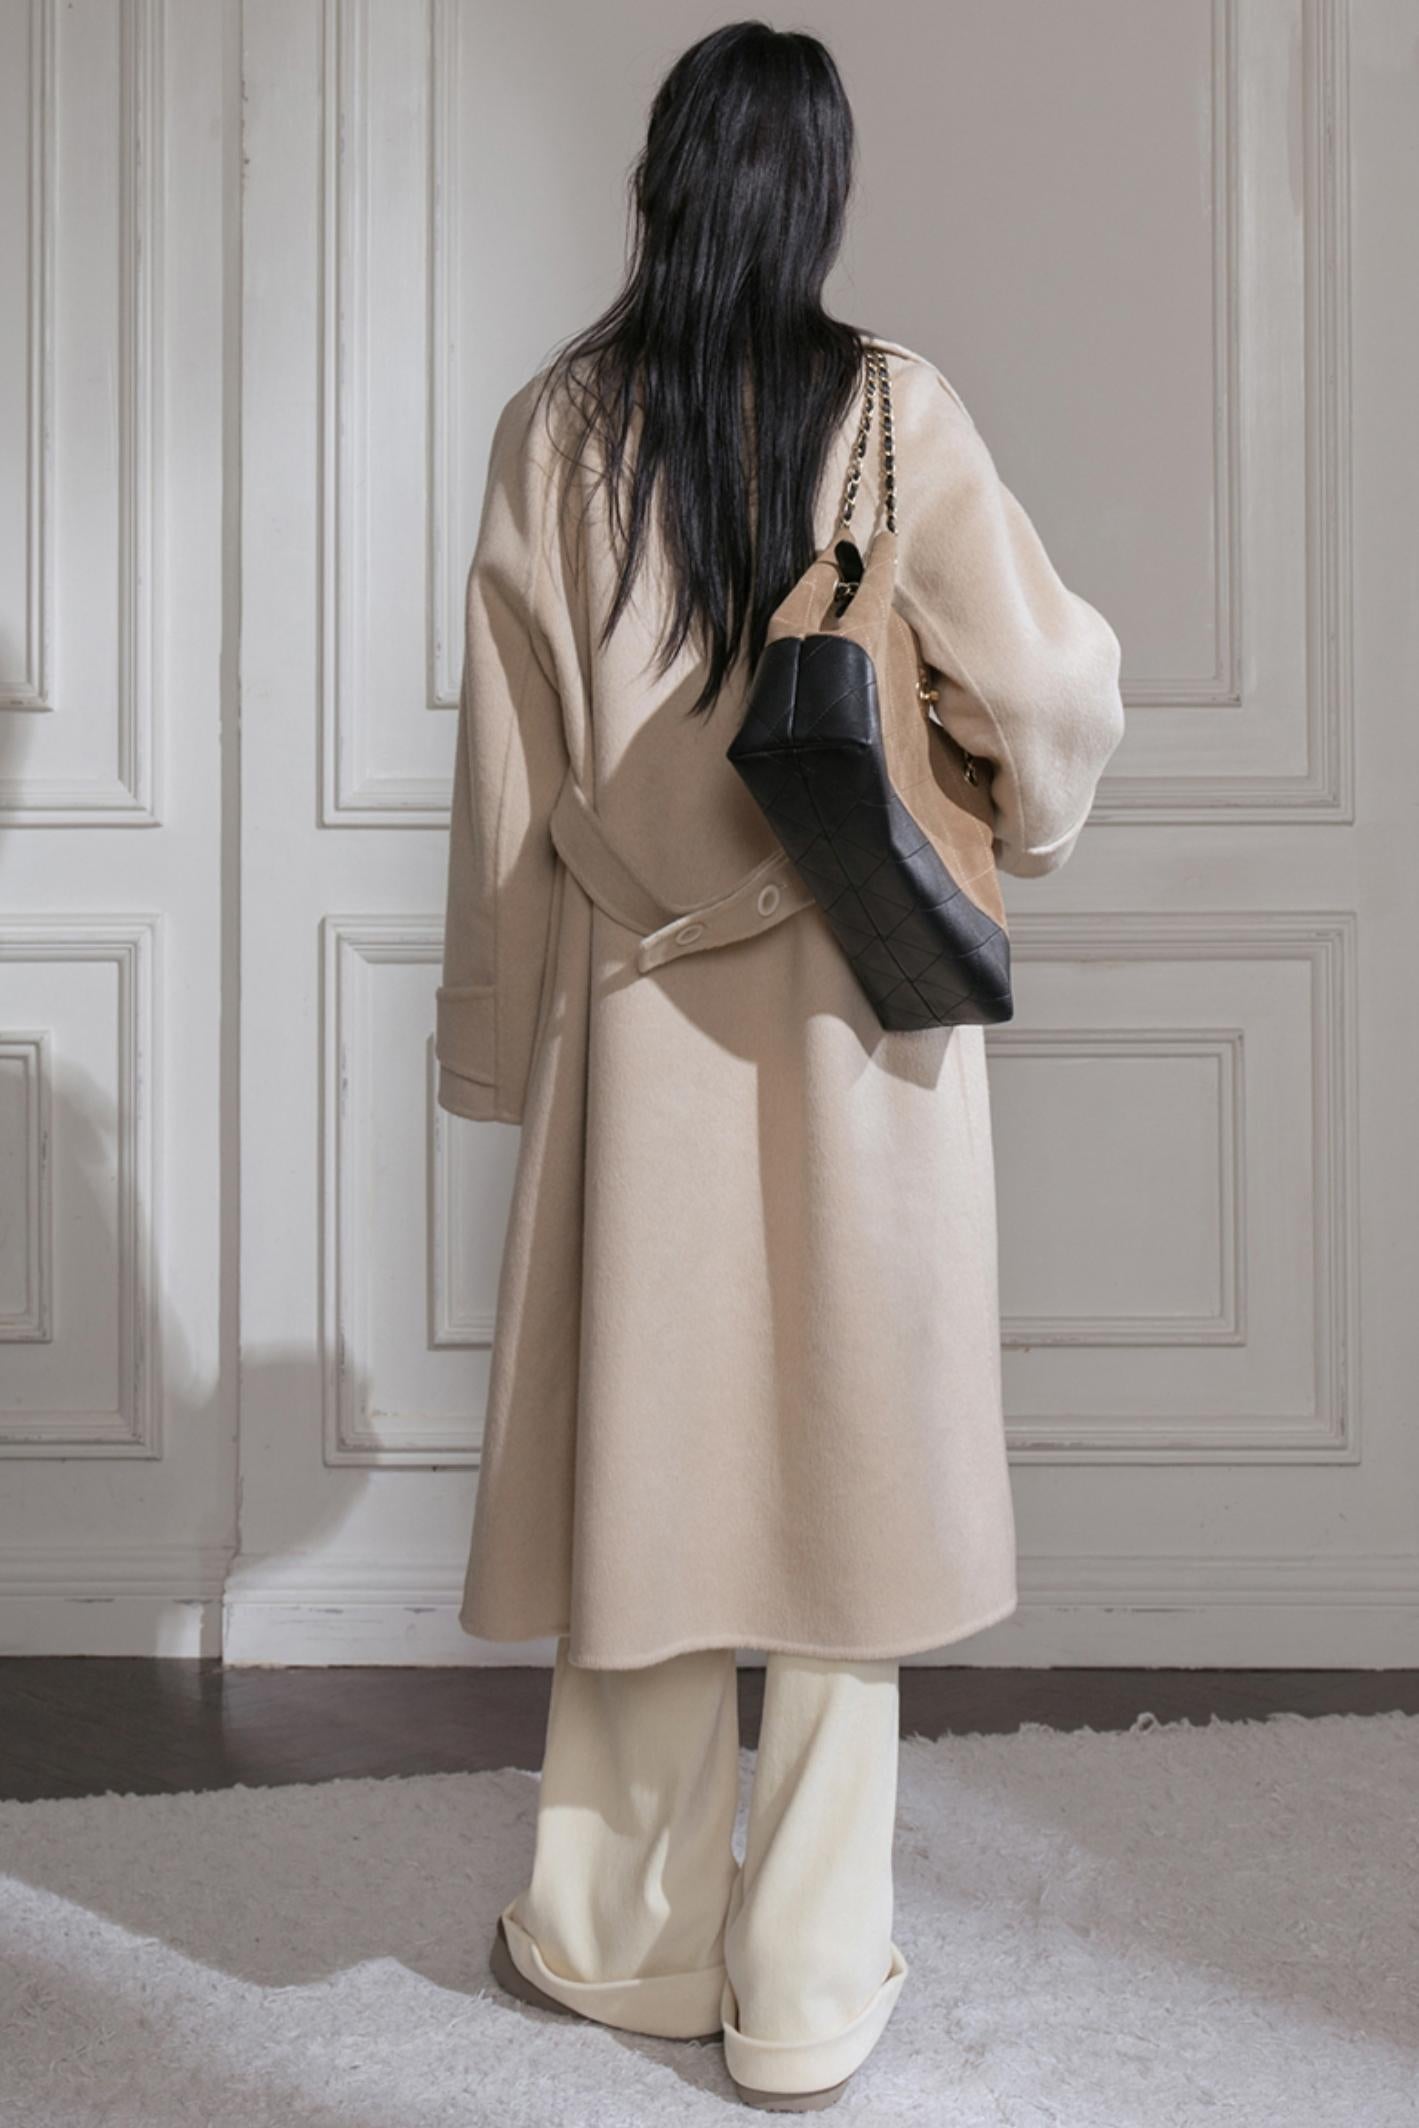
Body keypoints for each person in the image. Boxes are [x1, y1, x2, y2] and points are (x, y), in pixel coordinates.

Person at [435, 20, 1125, 2111]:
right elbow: (1041, 692)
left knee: (647, 1483)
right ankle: (807, 1987)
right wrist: (1014, 798)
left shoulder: (553, 429)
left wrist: (497, 1042)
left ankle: (621, 1941)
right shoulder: (892, 408)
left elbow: (508, 782)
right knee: (845, 1483)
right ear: (817, 192)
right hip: (853, 1013)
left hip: (635, 1022)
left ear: (658, 180)